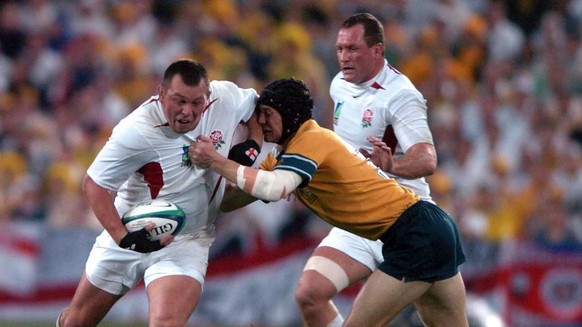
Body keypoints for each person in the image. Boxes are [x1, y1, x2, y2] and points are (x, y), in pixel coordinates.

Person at [189, 77, 468, 326]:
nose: (260, 122)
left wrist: (216, 160)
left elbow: (274, 188)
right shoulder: (284, 156)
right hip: (425, 230)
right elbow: (230, 201)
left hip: (417, 234)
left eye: (267, 114)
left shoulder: (311, 139)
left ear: (290, 115)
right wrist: (208, 176)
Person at [57, 58, 262, 327]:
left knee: (166, 323)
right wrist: (124, 238)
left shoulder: (225, 97)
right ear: (162, 93)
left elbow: (258, 109)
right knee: (77, 321)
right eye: (179, 101)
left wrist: (253, 145)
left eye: (196, 103)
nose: (187, 111)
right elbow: (94, 184)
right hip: (129, 227)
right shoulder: (136, 130)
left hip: (187, 239)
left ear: (208, 97)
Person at [295, 12, 438, 327]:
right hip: (360, 220)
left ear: (377, 51)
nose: (344, 57)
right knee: (310, 294)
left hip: (406, 222)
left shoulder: (401, 95)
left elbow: (427, 159)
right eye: (340, 49)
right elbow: (336, 148)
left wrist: (392, 164)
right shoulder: (339, 86)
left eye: (353, 49)